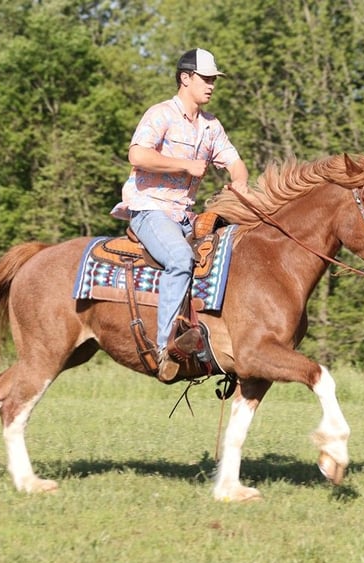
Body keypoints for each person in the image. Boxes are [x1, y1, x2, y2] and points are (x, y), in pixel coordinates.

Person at [111, 48, 249, 382]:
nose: (212, 85)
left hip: (186, 216)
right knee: (179, 259)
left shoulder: (211, 126)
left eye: (214, 79)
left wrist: (240, 182)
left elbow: (234, 161)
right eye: (206, 78)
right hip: (150, 209)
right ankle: (166, 348)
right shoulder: (160, 115)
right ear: (185, 78)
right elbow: (138, 154)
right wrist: (185, 164)